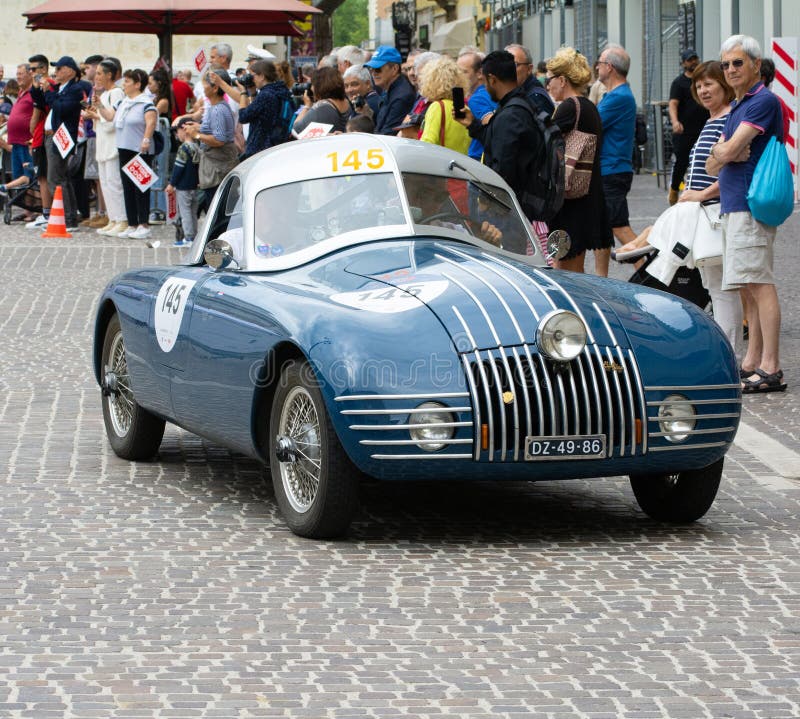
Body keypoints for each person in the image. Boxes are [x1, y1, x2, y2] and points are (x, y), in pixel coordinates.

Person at [618, 61, 741, 355]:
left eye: (709, 84)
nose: (703, 90)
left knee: (722, 290)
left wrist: (702, 194)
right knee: (714, 287)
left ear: (723, 86)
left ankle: (730, 354)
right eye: (699, 86)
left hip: (714, 213)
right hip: (703, 211)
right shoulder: (712, 120)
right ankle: (650, 241)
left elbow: (733, 172)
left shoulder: (728, 120)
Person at [705, 35, 786, 393]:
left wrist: (729, 150)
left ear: (756, 64)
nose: (731, 69)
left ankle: (771, 366)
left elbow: (732, 149)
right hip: (734, 204)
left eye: (738, 62)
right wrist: (727, 152)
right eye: (725, 64)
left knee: (759, 282)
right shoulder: (739, 106)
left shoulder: (762, 101)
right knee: (748, 288)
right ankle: (753, 361)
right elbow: (711, 165)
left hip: (751, 204)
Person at [456, 50, 546, 254]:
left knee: (510, 264)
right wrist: (474, 126)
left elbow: (501, 168)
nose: (485, 88)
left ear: (492, 79)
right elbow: (499, 143)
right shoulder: (520, 106)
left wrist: (485, 203)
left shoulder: (510, 115)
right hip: (515, 207)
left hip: (508, 214)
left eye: (486, 83)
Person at [545, 47, 612, 274]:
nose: (548, 86)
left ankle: (575, 309)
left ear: (562, 80)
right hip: (586, 197)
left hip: (570, 202)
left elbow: (544, 141)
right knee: (573, 268)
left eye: (550, 79)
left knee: (564, 271)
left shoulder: (568, 107)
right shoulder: (588, 107)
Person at [596, 43, 637, 275]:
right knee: (605, 226)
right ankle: (601, 278)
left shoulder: (618, 97)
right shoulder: (615, 95)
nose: (597, 67)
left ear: (609, 67)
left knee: (618, 225)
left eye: (600, 63)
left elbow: (593, 124)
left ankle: (650, 273)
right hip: (609, 169)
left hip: (612, 170)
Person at [83, 59, 127, 236]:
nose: (97, 76)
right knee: (106, 184)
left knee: (115, 183)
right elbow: (103, 120)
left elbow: (113, 121)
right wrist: (95, 115)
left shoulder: (116, 93)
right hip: (102, 142)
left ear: (110, 75)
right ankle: (113, 217)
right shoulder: (106, 94)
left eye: (100, 73)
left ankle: (122, 218)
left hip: (112, 144)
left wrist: (99, 113)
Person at [114, 68, 157, 240]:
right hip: (124, 147)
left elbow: (151, 121)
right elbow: (110, 116)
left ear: (138, 84)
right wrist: (98, 108)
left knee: (141, 187)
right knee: (128, 187)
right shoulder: (124, 103)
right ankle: (132, 223)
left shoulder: (146, 102)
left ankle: (143, 224)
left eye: (127, 82)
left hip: (139, 149)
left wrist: (146, 139)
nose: (124, 84)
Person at [184, 69, 237, 210]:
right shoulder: (217, 107)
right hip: (216, 167)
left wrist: (196, 135)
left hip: (217, 169)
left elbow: (219, 140)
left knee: (216, 208)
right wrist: (198, 128)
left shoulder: (218, 109)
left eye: (204, 85)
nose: (202, 88)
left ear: (215, 88)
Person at [43, 56, 85, 232]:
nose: (56, 72)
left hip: (61, 137)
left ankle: (68, 218)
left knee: (56, 178)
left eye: (60, 69)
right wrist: (41, 89)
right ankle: (70, 216)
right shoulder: (60, 88)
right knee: (63, 177)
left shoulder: (75, 89)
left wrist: (48, 92)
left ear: (70, 70)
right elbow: (44, 101)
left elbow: (61, 107)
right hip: (53, 136)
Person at [222, 60, 292, 158]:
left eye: (252, 76)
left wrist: (243, 92)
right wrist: (253, 92)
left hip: (260, 148)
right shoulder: (280, 90)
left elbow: (243, 117)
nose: (251, 79)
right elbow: (257, 112)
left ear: (262, 76)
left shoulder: (265, 95)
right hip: (273, 144)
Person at [668, 49, 709, 205]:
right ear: (683, 63)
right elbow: (673, 103)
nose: (693, 62)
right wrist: (675, 121)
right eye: (689, 60)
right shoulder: (679, 83)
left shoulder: (702, 81)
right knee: (682, 161)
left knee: (703, 160)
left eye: (694, 58)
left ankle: (698, 191)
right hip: (684, 131)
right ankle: (674, 189)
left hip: (702, 128)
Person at [25, 54, 55, 229]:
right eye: (30, 69)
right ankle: (47, 212)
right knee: (43, 176)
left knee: (44, 176)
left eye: (34, 69)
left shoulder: (47, 85)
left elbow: (38, 110)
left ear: (44, 69)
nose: (32, 72)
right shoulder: (37, 87)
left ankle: (47, 213)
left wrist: (32, 130)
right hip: (39, 136)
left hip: (43, 136)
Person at [417, 56, 470, 154]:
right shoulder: (465, 108)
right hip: (461, 164)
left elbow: (427, 142)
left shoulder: (437, 107)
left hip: (440, 164)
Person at [365, 46, 416, 135]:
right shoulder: (389, 89)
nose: (373, 73)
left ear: (394, 69)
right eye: (371, 69)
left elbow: (388, 135)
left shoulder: (401, 97)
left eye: (377, 69)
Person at [457, 51, 497, 162]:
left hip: (480, 158)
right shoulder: (494, 92)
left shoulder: (477, 99)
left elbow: (493, 127)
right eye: (457, 72)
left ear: (479, 73)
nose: (458, 77)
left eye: (464, 72)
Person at [165, 117, 199, 248]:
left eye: (177, 131)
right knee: (193, 213)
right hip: (195, 186)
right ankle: (195, 237)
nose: (176, 134)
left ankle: (188, 238)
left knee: (185, 214)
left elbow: (178, 168)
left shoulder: (183, 148)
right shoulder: (197, 147)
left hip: (183, 187)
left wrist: (172, 184)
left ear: (184, 130)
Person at [505, 43, 554, 116]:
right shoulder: (515, 92)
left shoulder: (536, 98)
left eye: (514, 65)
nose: (507, 69)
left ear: (529, 69)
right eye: (504, 65)